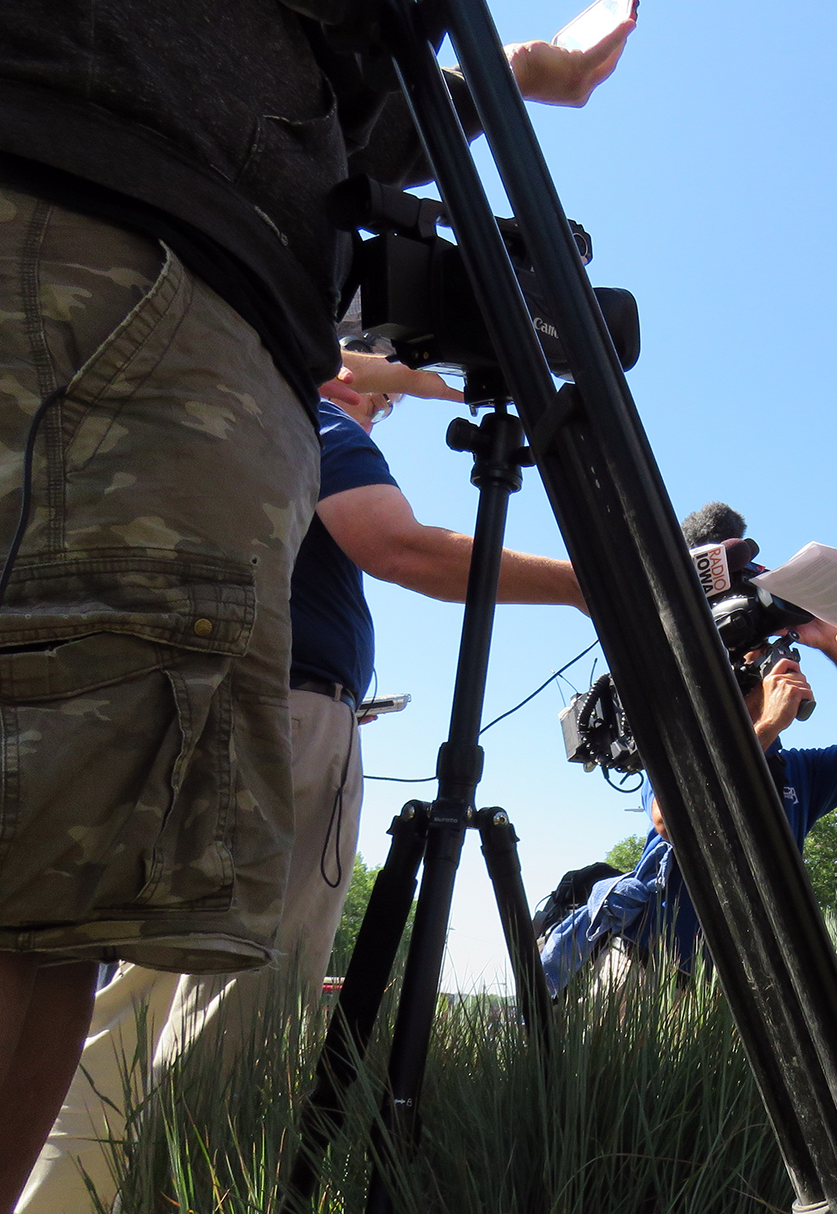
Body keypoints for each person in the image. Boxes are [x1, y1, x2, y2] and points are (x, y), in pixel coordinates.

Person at [0, 0, 629, 1189]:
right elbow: (407, 551)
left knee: (127, 978)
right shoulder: (324, 415)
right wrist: (611, 582)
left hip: (294, 698)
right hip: (281, 704)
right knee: (82, 946)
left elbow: (320, 85)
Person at [21, 359, 589, 1211]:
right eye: (376, 384)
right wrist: (590, 587)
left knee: (129, 1023)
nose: (380, 403)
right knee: (240, 1017)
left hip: (219, 711)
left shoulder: (228, 418)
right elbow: (397, 547)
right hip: (288, 722)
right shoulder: (316, 420)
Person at [541, 580, 837, 987]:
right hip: (648, 966)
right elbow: (671, 819)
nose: (784, 660)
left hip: (740, 981)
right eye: (765, 653)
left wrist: (831, 644)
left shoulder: (800, 772)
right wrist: (767, 726)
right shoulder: (683, 745)